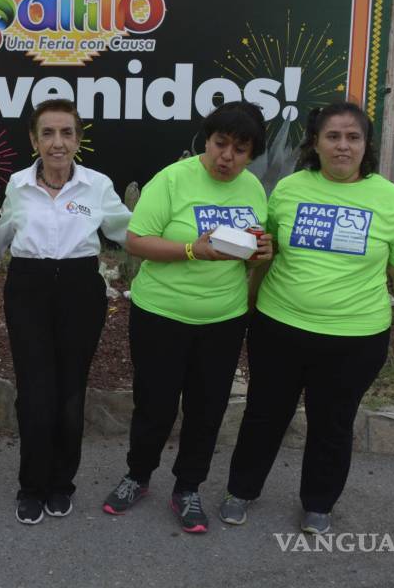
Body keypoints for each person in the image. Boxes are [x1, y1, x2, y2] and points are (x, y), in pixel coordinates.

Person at [218, 101, 394, 535]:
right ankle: (241, 490)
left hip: (355, 338)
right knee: (264, 414)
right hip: (279, 328)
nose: (342, 146)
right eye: (333, 136)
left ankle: (318, 503)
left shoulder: (391, 201)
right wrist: (249, 301)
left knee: (332, 423)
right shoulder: (290, 189)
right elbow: (269, 251)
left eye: (353, 137)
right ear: (315, 142)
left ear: (366, 145)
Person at [101, 101, 273, 534]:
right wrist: (193, 249)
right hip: (162, 315)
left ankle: (188, 487)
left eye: (240, 149)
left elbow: (251, 250)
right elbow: (136, 241)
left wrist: (262, 252)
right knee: (155, 405)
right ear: (206, 140)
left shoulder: (254, 189)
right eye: (220, 143)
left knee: (207, 408)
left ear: (252, 154)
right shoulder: (173, 179)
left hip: (224, 319)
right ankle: (138, 476)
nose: (226, 157)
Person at [0, 99, 132, 525]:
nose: (57, 142)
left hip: (79, 291)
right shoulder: (17, 184)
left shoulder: (96, 185)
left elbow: (130, 232)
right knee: (34, 394)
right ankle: (31, 486)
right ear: (33, 140)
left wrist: (182, 244)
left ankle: (61, 484)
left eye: (66, 133)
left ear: (78, 139)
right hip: (27, 289)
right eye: (47, 133)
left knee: (70, 393)